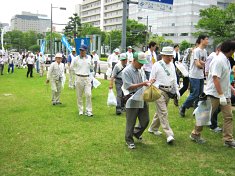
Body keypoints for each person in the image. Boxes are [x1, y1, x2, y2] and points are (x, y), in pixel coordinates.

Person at [190, 40, 235, 148]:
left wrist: (231, 89)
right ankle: (195, 134)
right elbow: (215, 78)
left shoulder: (227, 60)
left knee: (228, 117)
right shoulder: (218, 60)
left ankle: (228, 139)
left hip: (225, 95)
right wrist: (220, 95)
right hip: (214, 94)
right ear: (231, 50)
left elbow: (224, 79)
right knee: (205, 116)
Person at [148, 46, 180, 144]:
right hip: (159, 91)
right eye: (169, 56)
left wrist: (177, 91)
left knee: (160, 112)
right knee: (163, 112)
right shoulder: (156, 65)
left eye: (171, 56)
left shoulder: (172, 65)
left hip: (169, 91)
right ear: (163, 55)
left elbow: (174, 78)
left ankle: (152, 128)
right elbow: (151, 79)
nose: (171, 58)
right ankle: (169, 134)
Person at [122, 51, 151, 149]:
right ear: (134, 60)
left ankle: (136, 133)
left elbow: (145, 81)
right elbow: (128, 86)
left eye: (143, 63)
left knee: (145, 120)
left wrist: (149, 82)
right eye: (140, 62)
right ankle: (129, 140)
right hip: (132, 97)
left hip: (142, 96)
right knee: (131, 121)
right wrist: (143, 84)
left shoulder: (141, 70)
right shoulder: (126, 71)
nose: (142, 65)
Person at [179, 35, 209, 117]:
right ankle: (183, 107)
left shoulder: (205, 51)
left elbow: (205, 62)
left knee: (200, 94)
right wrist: (203, 64)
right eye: (206, 39)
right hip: (194, 75)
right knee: (195, 93)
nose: (208, 41)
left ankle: (196, 110)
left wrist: (203, 63)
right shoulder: (196, 51)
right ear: (202, 40)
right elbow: (198, 64)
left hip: (201, 76)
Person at [71, 44, 94, 117]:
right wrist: (76, 73)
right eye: (80, 50)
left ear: (86, 51)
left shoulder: (89, 58)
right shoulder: (76, 58)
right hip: (79, 78)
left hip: (87, 78)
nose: (81, 52)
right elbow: (71, 67)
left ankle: (89, 111)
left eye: (83, 50)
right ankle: (81, 110)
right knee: (79, 95)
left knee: (88, 94)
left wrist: (92, 72)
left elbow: (92, 67)